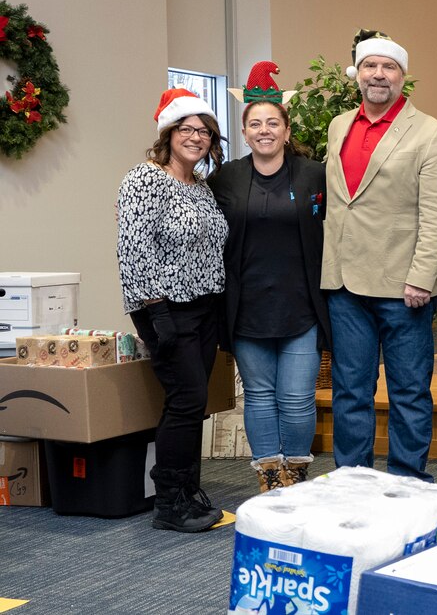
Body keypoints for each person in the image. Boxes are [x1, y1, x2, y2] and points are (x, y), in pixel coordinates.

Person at [322, 30, 437, 481]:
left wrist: (422, 276)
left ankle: (406, 483)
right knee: (350, 391)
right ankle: (352, 482)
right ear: (357, 74)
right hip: (344, 284)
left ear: (403, 77)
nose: (379, 75)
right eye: (370, 66)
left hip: (404, 286)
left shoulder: (431, 133)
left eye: (389, 67)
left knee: (409, 392)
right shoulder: (339, 125)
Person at [208, 61, 331, 492]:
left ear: (286, 128)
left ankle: (296, 477)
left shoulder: (315, 173)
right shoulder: (226, 178)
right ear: (243, 132)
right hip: (247, 309)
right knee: (259, 398)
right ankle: (269, 479)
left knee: (297, 399)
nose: (265, 130)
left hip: (302, 307)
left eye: (272, 122)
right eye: (255, 123)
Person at [116, 88, 228, 533]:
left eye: (204, 131)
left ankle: (187, 491)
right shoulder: (145, 179)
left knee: (192, 403)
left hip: (203, 306)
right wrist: (154, 311)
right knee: (187, 400)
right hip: (164, 307)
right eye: (187, 128)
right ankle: (169, 503)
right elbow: (133, 249)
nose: (196, 137)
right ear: (168, 132)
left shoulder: (199, 187)